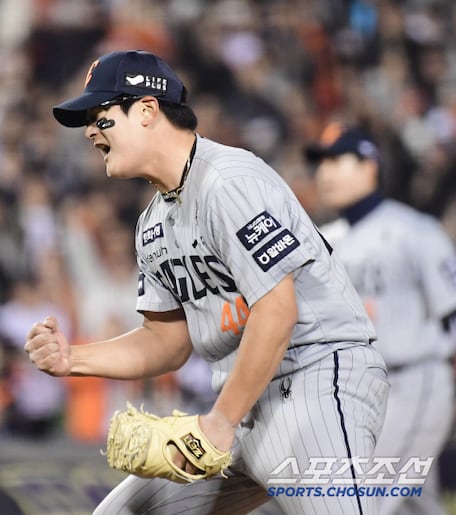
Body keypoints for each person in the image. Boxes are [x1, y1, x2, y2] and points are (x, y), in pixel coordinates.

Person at [25, 50, 390, 515]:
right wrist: (73, 358)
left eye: (101, 116)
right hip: (243, 399)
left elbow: (278, 311)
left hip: (314, 376)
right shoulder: (152, 224)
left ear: (146, 110)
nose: (90, 131)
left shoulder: (228, 180)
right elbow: (167, 341)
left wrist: (221, 421)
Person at [303, 123, 456, 515]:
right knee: (412, 505)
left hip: (414, 382)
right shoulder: (322, 240)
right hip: (359, 392)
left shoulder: (413, 230)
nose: (325, 172)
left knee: (357, 499)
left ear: (369, 165)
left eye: (336, 160)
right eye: (321, 163)